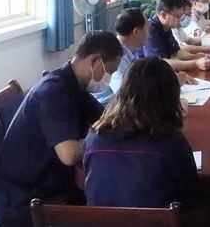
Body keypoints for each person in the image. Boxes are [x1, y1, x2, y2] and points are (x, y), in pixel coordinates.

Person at [0, 31, 124, 227]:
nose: (109, 78)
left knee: (112, 198)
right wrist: (99, 141)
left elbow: (107, 119)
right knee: (112, 209)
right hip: (26, 202)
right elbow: (69, 154)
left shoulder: (73, 85)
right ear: (94, 61)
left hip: (52, 185)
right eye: (110, 71)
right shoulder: (52, 92)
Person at [84, 57, 197, 208]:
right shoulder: (171, 141)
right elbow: (190, 193)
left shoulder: (94, 137)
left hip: (98, 219)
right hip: (157, 219)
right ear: (169, 97)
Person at [142, 0, 210, 72]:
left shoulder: (167, 27)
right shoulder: (150, 30)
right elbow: (161, 63)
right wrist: (196, 63)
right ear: (163, 15)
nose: (181, 20)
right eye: (178, 16)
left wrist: (195, 56)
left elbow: (177, 52)